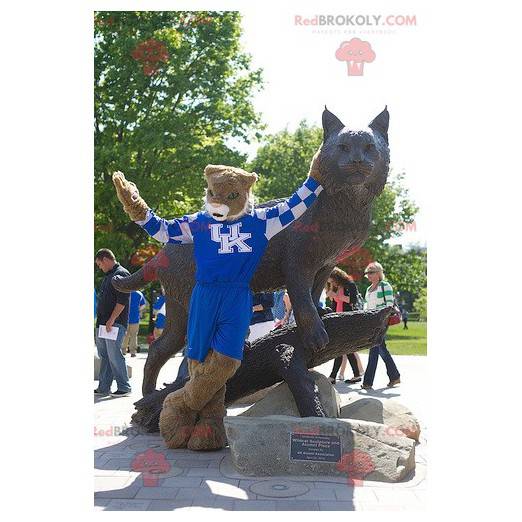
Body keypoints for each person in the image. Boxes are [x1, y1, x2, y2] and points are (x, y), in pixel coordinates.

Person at [112, 151, 324, 449]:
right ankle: (210, 423)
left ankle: (178, 403)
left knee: (226, 358)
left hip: (236, 295)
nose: (217, 201)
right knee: (199, 358)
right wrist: (134, 204)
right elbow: (162, 230)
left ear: (245, 193)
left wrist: (315, 177)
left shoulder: (261, 221)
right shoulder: (198, 223)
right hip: (203, 295)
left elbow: (294, 205)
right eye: (213, 193)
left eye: (227, 195)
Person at [94, 249, 132, 397]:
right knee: (104, 355)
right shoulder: (108, 275)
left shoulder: (121, 274)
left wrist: (111, 320)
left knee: (114, 354)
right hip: (103, 323)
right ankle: (104, 387)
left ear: (105, 259)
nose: (99, 267)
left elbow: (122, 301)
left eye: (99, 264)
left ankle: (124, 387)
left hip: (113, 324)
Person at [361, 261, 401, 390]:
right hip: (371, 322)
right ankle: (395, 376)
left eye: (371, 272)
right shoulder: (368, 289)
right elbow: (367, 305)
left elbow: (389, 305)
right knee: (381, 349)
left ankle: (367, 381)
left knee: (374, 349)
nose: (369, 275)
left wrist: (380, 317)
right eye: (367, 273)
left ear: (379, 273)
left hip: (382, 321)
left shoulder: (385, 285)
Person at [325, 267, 364, 384]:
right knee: (346, 348)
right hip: (338, 319)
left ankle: (332, 377)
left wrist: (336, 296)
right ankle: (356, 375)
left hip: (348, 320)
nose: (332, 283)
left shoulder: (350, 284)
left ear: (338, 277)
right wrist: (332, 293)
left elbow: (353, 301)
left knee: (341, 348)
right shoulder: (336, 286)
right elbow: (334, 302)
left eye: (332, 281)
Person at [122, 290, 146, 357]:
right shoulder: (139, 293)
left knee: (125, 335)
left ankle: (123, 350)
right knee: (134, 335)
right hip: (135, 318)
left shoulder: (125, 291)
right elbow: (143, 305)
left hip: (125, 318)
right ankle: (133, 352)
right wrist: (138, 310)